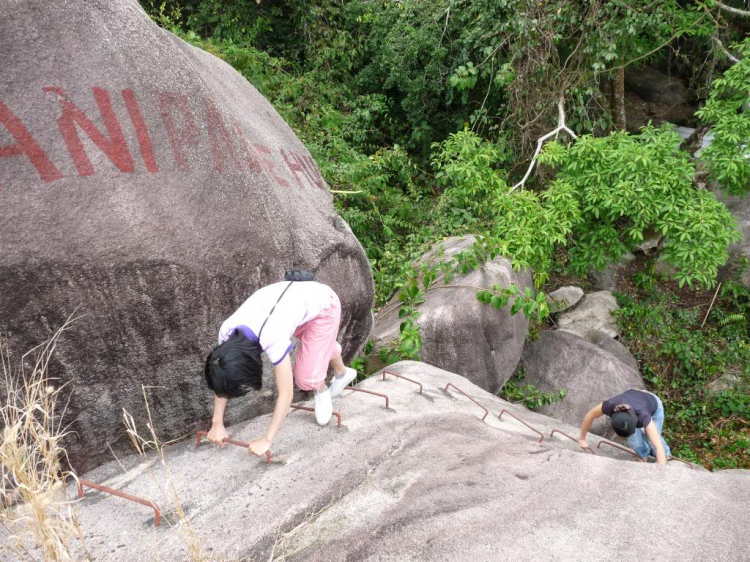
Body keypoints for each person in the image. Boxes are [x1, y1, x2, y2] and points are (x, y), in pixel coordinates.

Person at [203, 279, 358, 457]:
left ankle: (321, 389)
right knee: (318, 347)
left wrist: (266, 440)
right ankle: (341, 372)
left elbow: (286, 393)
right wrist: (216, 423)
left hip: (324, 306)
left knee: (306, 378)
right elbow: (221, 374)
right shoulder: (227, 332)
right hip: (292, 305)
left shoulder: (271, 336)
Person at [578, 389, 671, 465]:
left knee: (651, 439)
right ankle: (642, 455)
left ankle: (667, 455)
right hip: (632, 397)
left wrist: (660, 470)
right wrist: (582, 439)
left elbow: (658, 445)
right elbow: (589, 415)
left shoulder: (643, 414)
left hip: (653, 404)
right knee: (635, 443)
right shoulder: (610, 405)